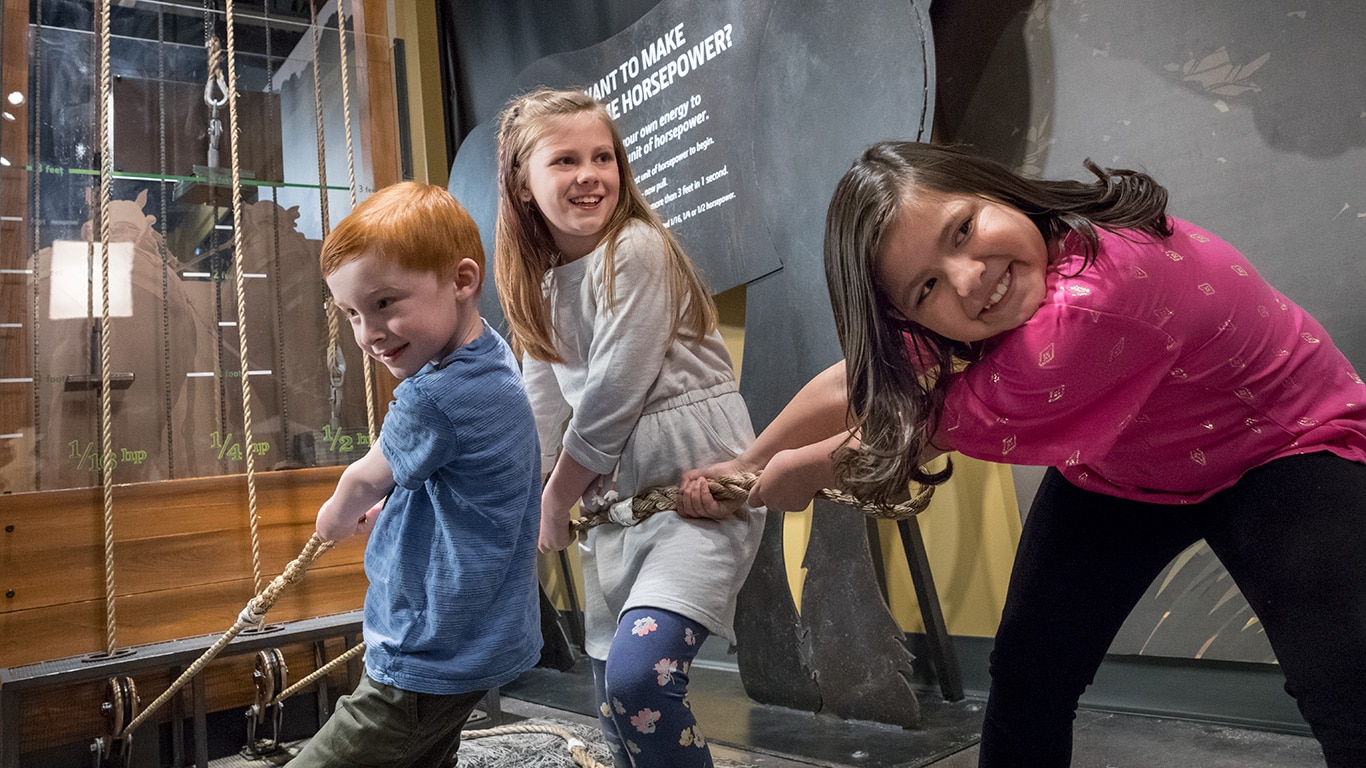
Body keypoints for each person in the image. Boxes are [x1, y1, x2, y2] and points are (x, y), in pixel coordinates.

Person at [681, 141, 1366, 767]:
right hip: (1131, 466)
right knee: (1031, 673)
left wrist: (800, 471)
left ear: (995, 189)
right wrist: (747, 460)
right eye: (927, 288)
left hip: (1280, 439)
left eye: (963, 231)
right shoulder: (1010, 278)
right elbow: (862, 383)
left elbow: (910, 433)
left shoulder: (1097, 298)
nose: (970, 279)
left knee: (1348, 685)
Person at [494, 86, 764, 768]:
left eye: (603, 157)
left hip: (693, 501)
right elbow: (538, 415)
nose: (590, 174)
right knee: (617, 710)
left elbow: (616, 393)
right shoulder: (540, 286)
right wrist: (521, 500)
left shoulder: (638, 248)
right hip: (615, 516)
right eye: (565, 161)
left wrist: (556, 497)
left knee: (641, 680)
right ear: (523, 185)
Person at [293, 182, 543, 768]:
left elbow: (363, 479)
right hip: (476, 631)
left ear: (462, 281)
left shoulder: (434, 396)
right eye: (352, 313)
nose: (367, 333)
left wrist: (336, 516)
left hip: (430, 644)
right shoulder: (490, 357)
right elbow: (457, 477)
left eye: (384, 304)